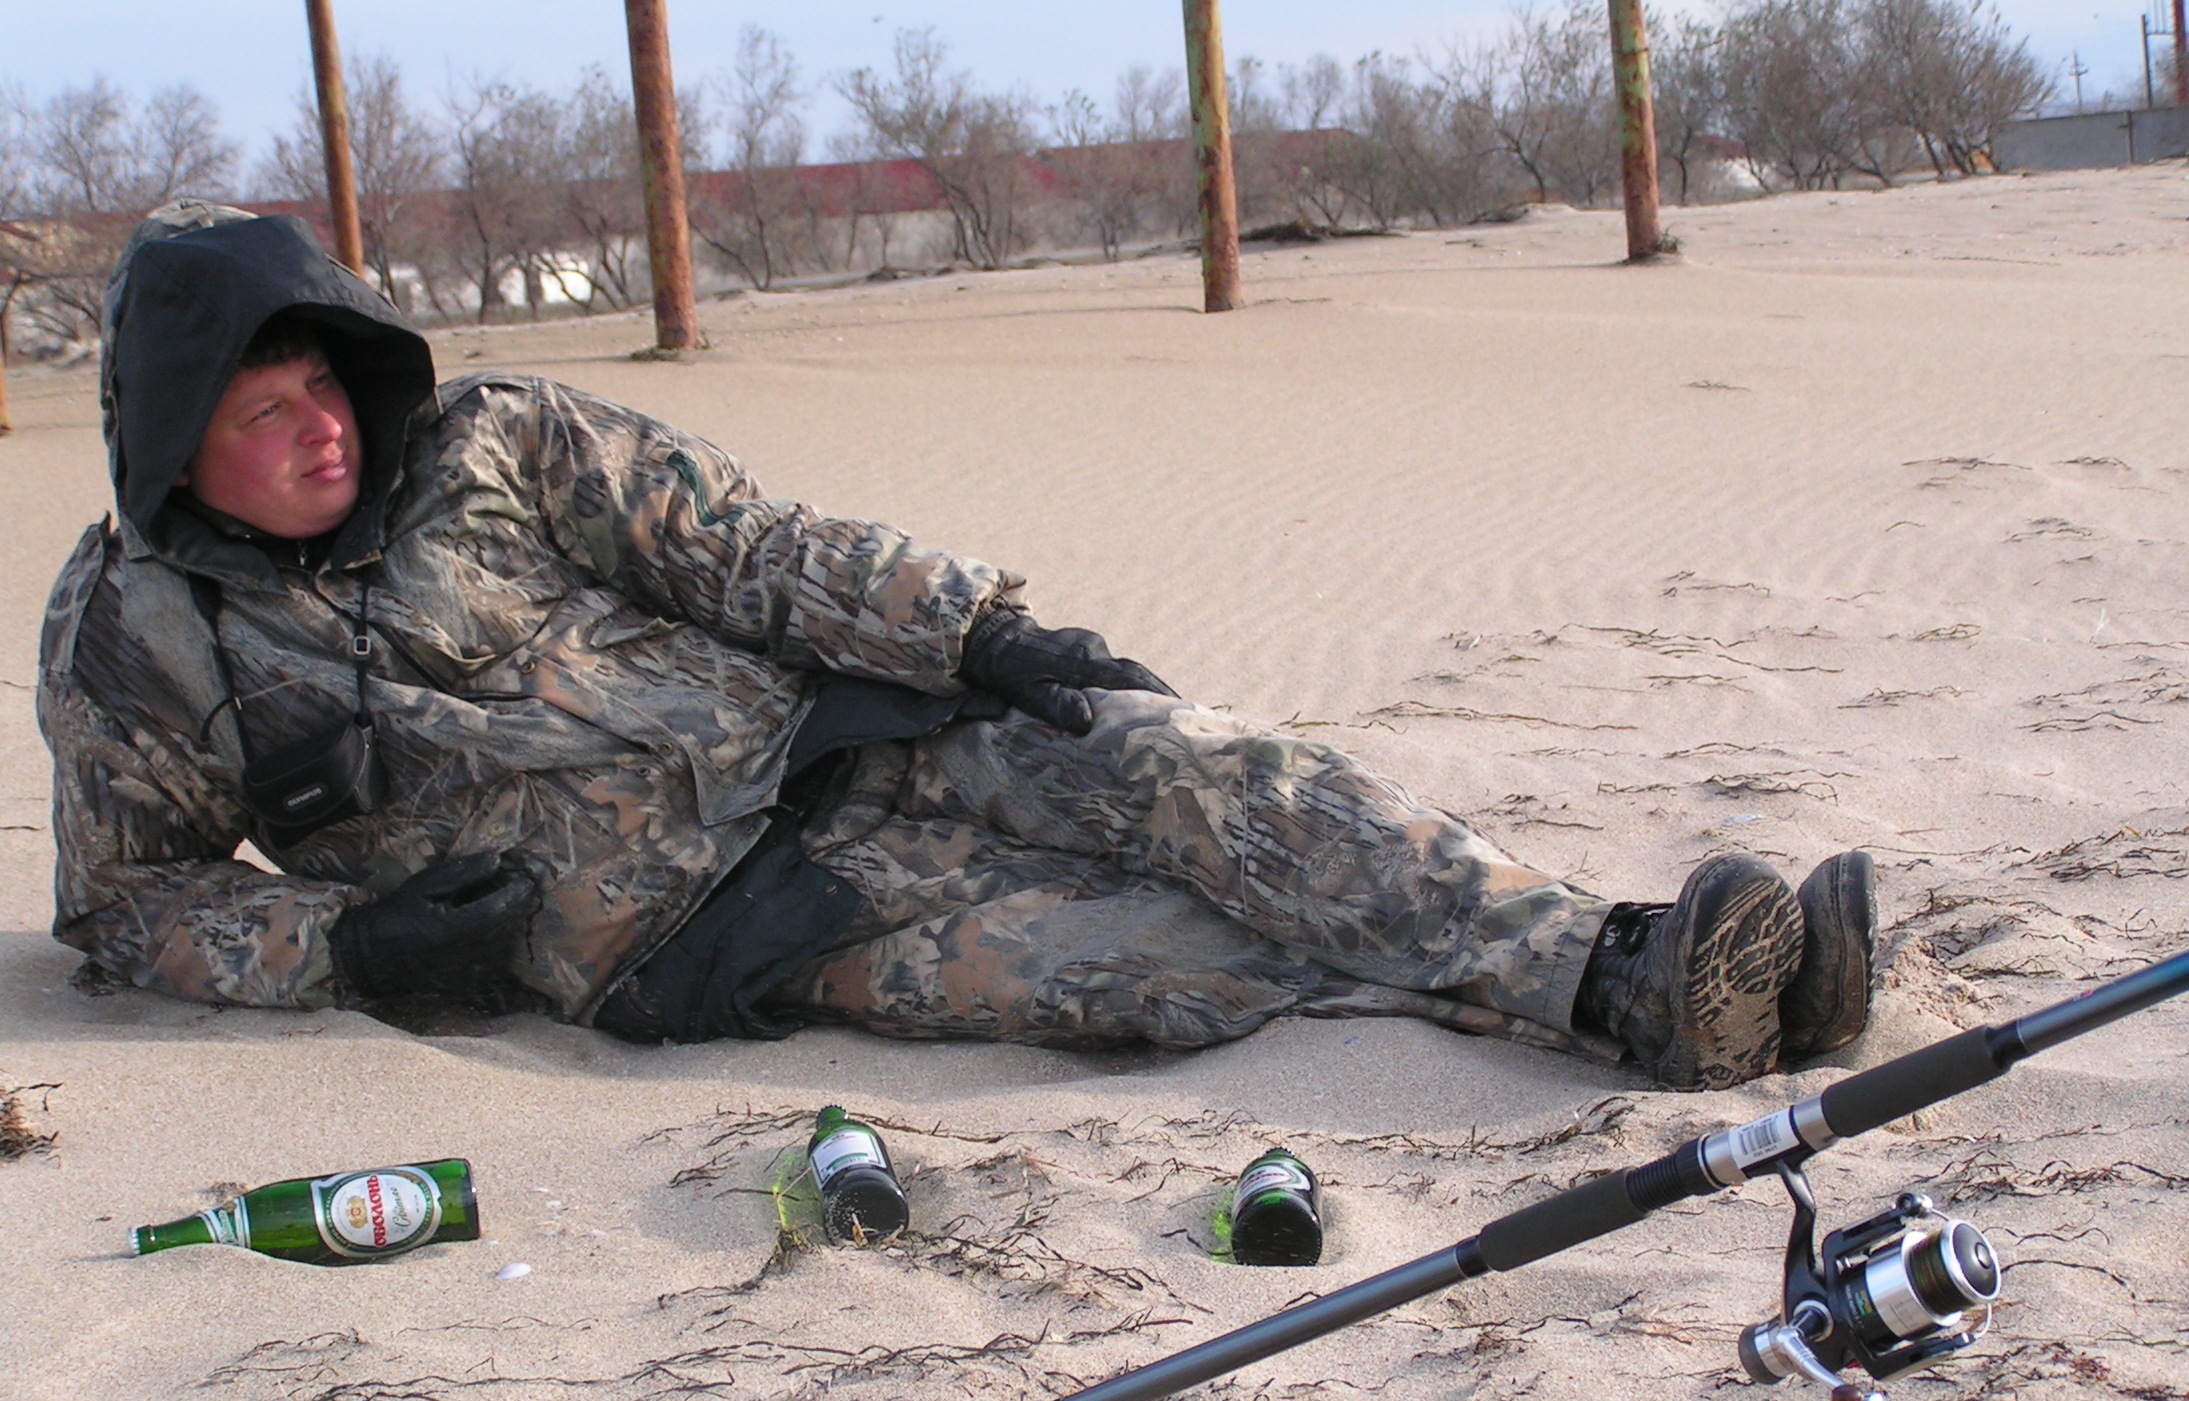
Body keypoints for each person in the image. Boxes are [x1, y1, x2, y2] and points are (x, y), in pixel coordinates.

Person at [37, 201, 1876, 1091]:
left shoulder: (497, 438)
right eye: (263, 410)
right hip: (702, 926)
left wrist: (980, 631)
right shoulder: (138, 632)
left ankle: (1631, 959)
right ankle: (1628, 1008)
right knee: (1148, 954)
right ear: (175, 444)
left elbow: (746, 550)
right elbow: (125, 907)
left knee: (1199, 771)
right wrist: (345, 945)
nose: (320, 429)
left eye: (325, 383)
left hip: (838, 732)